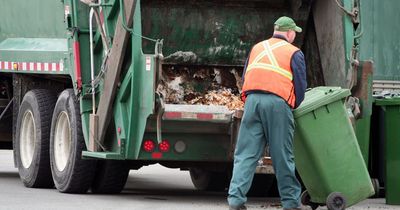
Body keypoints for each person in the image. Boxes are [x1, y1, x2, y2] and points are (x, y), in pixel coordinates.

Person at [227, 16, 307, 210]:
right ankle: (291, 203)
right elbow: (300, 85)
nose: (294, 35)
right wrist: (293, 104)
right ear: (289, 33)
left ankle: (236, 201)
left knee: (245, 154)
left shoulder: (257, 48)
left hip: (253, 102)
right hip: (277, 105)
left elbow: (246, 75)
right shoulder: (294, 52)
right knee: (282, 156)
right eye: (294, 32)